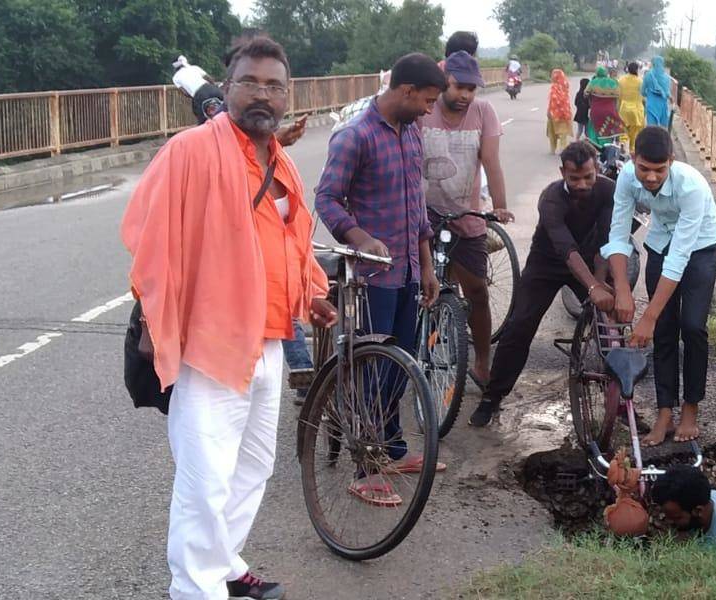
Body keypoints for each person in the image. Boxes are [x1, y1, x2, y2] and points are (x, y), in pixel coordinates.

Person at [122, 36, 337, 600]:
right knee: (205, 481)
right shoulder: (190, 151)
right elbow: (150, 241)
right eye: (249, 82)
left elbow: (291, 238)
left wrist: (311, 291)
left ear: (288, 95)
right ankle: (195, 588)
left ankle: (222, 568)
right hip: (209, 342)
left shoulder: (279, 157)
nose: (261, 94)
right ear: (226, 87)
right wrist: (152, 322)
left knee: (251, 471)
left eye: (273, 85)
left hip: (269, 341)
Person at [315, 53, 448, 506]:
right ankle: (365, 469)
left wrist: (426, 266)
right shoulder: (354, 137)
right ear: (405, 91)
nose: (431, 109)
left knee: (402, 366)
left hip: (409, 271)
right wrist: (360, 237)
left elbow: (418, 208)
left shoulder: (412, 133)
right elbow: (328, 199)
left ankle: (391, 450)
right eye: (427, 100)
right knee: (372, 371)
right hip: (370, 279)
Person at [469, 141, 617, 426]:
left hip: (589, 258)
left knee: (609, 322)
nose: (583, 184)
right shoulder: (551, 199)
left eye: (588, 176)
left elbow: (608, 240)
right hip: (546, 263)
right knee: (519, 327)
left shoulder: (609, 190)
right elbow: (565, 249)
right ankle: (492, 397)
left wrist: (600, 282)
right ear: (562, 172)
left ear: (596, 168)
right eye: (574, 179)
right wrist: (592, 287)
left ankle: (620, 401)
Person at [603, 126, 716, 446]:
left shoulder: (691, 186)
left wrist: (648, 316)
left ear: (671, 161)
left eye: (659, 170)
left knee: (693, 326)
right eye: (644, 169)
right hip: (659, 242)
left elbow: (680, 257)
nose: (651, 177)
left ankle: (690, 408)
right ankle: (664, 413)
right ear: (633, 159)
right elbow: (617, 236)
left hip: (699, 247)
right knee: (665, 330)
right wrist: (625, 290)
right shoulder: (627, 178)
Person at [418, 50, 512, 388]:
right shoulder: (424, 110)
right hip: (421, 215)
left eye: (472, 89)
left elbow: (491, 161)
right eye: (459, 87)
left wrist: (499, 206)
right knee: (412, 288)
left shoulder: (483, 112)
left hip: (465, 214)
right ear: (445, 82)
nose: (465, 95)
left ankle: (483, 362)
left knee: (477, 292)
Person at [585, 67, 622, 143]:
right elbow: (619, 96)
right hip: (610, 111)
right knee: (608, 129)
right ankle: (607, 147)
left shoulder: (593, 82)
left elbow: (585, 94)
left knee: (594, 129)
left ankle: (596, 147)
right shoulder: (614, 82)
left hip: (596, 111)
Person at [616, 62, 646, 153]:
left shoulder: (621, 80)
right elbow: (644, 97)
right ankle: (632, 149)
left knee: (624, 129)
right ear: (637, 70)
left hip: (624, 109)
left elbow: (619, 96)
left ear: (627, 69)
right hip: (636, 110)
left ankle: (622, 143)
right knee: (634, 133)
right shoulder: (640, 81)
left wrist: (617, 110)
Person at [546, 69, 574, 153]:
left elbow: (552, 100)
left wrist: (548, 111)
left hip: (554, 113)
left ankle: (552, 149)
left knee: (552, 132)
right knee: (563, 133)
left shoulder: (554, 87)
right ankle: (563, 148)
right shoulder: (565, 85)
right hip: (565, 112)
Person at [641, 56, 672, 128]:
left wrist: (649, 94)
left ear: (653, 64)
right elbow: (667, 93)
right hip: (662, 107)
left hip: (651, 105)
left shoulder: (648, 75)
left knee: (652, 129)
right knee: (662, 129)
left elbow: (642, 91)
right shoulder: (667, 78)